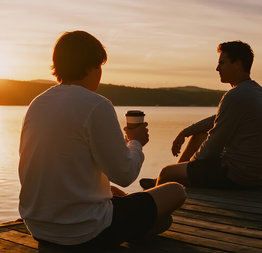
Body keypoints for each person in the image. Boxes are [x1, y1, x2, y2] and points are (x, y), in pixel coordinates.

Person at [18, 31, 186, 251]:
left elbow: (56, 167)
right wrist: (135, 142)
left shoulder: (37, 104)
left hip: (39, 228)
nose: (100, 74)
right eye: (99, 66)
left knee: (114, 191)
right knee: (175, 192)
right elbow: (125, 174)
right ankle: (137, 230)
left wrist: (103, 189)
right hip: (85, 233)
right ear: (90, 66)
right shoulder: (97, 105)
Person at [141, 41, 262, 189]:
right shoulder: (255, 91)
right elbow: (217, 119)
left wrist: (191, 167)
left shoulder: (235, 96)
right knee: (198, 136)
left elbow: (214, 143)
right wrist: (186, 132)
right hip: (256, 173)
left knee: (166, 172)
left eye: (222, 63)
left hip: (237, 175)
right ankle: (174, 181)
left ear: (237, 63)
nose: (217, 68)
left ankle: (164, 191)